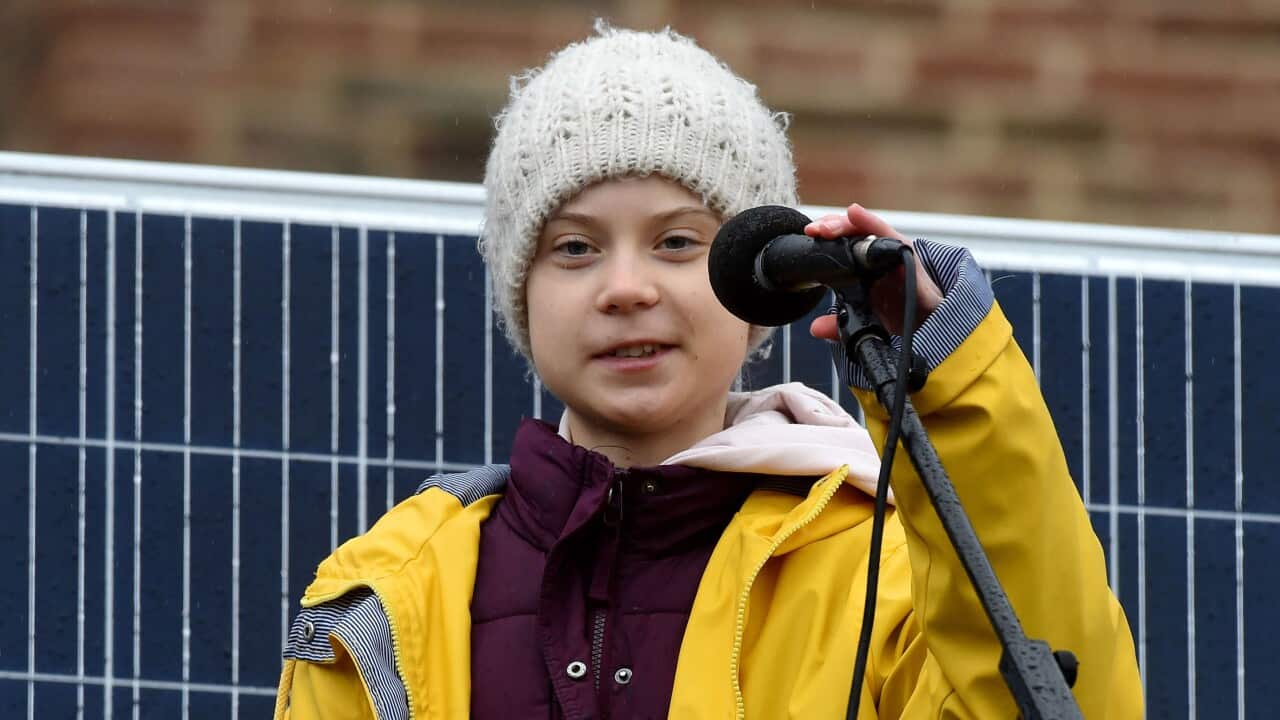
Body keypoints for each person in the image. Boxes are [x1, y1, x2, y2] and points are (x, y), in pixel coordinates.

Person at [273, 24, 1142, 719]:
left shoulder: (883, 568)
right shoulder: (387, 595)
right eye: (573, 248)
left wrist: (946, 381)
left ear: (759, 283)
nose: (625, 288)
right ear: (520, 296)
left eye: (679, 242)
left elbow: (1067, 700)